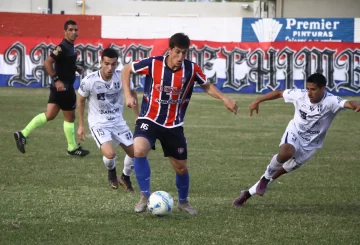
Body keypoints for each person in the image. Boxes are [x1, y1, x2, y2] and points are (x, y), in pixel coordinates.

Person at [122, 32, 238, 215]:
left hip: (173, 125)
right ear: (169, 50)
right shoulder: (153, 64)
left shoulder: (191, 69)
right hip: (149, 119)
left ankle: (183, 203)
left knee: (181, 167)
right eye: (177, 52)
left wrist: (224, 98)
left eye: (184, 53)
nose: (180, 57)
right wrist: (128, 94)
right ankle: (145, 195)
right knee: (139, 150)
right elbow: (127, 69)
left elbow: (206, 85)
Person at [232, 73, 360, 207]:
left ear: (323, 88)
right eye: (308, 88)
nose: (309, 93)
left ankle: (246, 194)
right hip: (295, 132)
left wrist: (356, 105)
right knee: (286, 152)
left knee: (279, 172)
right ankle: (265, 177)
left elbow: (349, 103)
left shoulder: (331, 101)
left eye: (313, 89)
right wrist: (258, 100)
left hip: (310, 145)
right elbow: (279, 93)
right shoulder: (300, 94)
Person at [14, 20, 89, 157]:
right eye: (71, 30)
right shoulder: (62, 47)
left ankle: (23, 133)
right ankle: (72, 148)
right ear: (65, 31)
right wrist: (57, 80)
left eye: (75, 30)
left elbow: (64, 64)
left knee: (49, 115)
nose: (74, 32)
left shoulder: (70, 47)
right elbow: (48, 62)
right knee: (70, 118)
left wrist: (75, 67)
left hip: (58, 88)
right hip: (64, 88)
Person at [77, 48, 139, 191]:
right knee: (110, 154)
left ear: (117, 64)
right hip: (98, 123)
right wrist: (81, 125)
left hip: (118, 121)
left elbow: (133, 94)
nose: (110, 67)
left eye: (113, 64)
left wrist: (137, 116)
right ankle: (112, 172)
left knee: (136, 153)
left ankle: (125, 177)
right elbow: (80, 101)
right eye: (106, 64)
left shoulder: (122, 77)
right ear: (101, 62)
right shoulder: (89, 80)